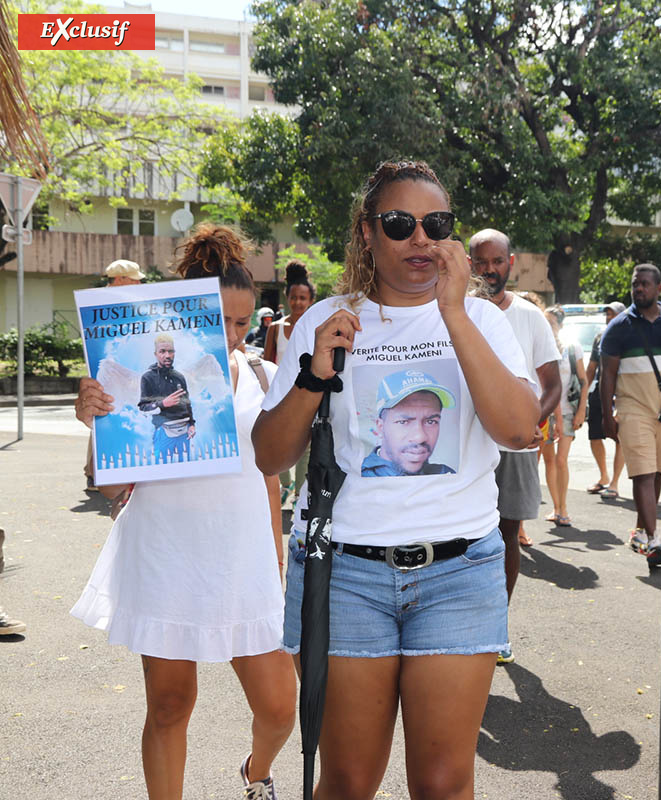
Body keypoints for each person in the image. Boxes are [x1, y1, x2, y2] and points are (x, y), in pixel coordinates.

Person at [252, 159, 539, 800]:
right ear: (367, 233)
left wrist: (455, 314)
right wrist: (313, 375)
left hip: (457, 573)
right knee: (349, 781)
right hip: (345, 572)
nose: (420, 239)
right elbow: (269, 456)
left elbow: (520, 430)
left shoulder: (485, 320)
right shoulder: (325, 319)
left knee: (442, 783)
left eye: (435, 224)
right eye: (400, 223)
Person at [72, 223, 294, 800]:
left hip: (243, 557)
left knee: (279, 707)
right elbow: (105, 482)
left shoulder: (263, 374)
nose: (232, 334)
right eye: (217, 320)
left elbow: (268, 473)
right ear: (181, 315)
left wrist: (274, 553)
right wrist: (96, 420)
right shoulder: (137, 371)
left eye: (244, 322)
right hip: (166, 552)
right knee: (170, 705)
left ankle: (257, 771)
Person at [469, 227, 561, 664]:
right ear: (470, 264)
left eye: (497, 261)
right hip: (465, 446)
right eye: (481, 261)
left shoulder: (529, 316)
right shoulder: (454, 311)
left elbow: (553, 384)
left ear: (511, 263)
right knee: (465, 536)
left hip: (516, 449)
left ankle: (496, 626)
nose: (489, 269)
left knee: (506, 535)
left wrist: (532, 422)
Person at [600, 263, 661, 566]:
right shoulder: (618, 328)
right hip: (632, 409)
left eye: (644, 284)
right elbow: (607, 378)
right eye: (635, 284)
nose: (638, 288)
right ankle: (654, 540)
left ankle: (641, 531)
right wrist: (606, 416)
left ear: (659, 288)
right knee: (642, 472)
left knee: (656, 473)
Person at [86, 260, 147, 492]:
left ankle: (94, 472)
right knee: (106, 415)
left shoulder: (98, 301)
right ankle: (100, 472)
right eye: (134, 278)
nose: (139, 282)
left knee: (102, 419)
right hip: (113, 368)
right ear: (120, 279)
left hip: (116, 367)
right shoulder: (109, 303)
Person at [264, 262, 317, 506]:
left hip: (307, 396)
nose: (297, 303)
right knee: (278, 443)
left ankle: (299, 496)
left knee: (305, 445)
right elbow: (266, 363)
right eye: (293, 297)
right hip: (279, 398)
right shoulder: (275, 329)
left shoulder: (316, 329)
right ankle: (286, 485)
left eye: (303, 298)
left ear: (311, 300)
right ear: (287, 298)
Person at [361, 371, 459, 477]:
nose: (420, 437)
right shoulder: (360, 475)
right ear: (380, 427)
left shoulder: (447, 474)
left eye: (430, 422)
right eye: (403, 422)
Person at [541, 306, 587, 526]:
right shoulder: (541, 346)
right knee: (549, 460)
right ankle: (556, 506)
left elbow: (584, 380)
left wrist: (582, 410)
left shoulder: (572, 347)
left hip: (568, 411)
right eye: (545, 323)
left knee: (561, 460)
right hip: (546, 410)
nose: (548, 327)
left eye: (551, 323)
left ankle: (564, 508)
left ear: (560, 325)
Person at [584, 301, 626, 499]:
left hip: (622, 392)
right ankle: (603, 476)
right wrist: (584, 393)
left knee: (621, 439)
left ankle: (615, 482)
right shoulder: (600, 337)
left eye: (613, 314)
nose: (609, 318)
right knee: (594, 435)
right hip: (600, 391)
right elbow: (591, 368)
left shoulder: (629, 336)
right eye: (607, 315)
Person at [138, 333, 196, 463]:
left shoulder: (179, 377)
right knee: (161, 467)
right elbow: (143, 408)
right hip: (164, 431)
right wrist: (162, 404)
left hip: (185, 431)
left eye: (170, 351)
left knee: (185, 467)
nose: (167, 355)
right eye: (162, 351)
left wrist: (191, 424)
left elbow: (187, 403)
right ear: (156, 354)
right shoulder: (147, 378)